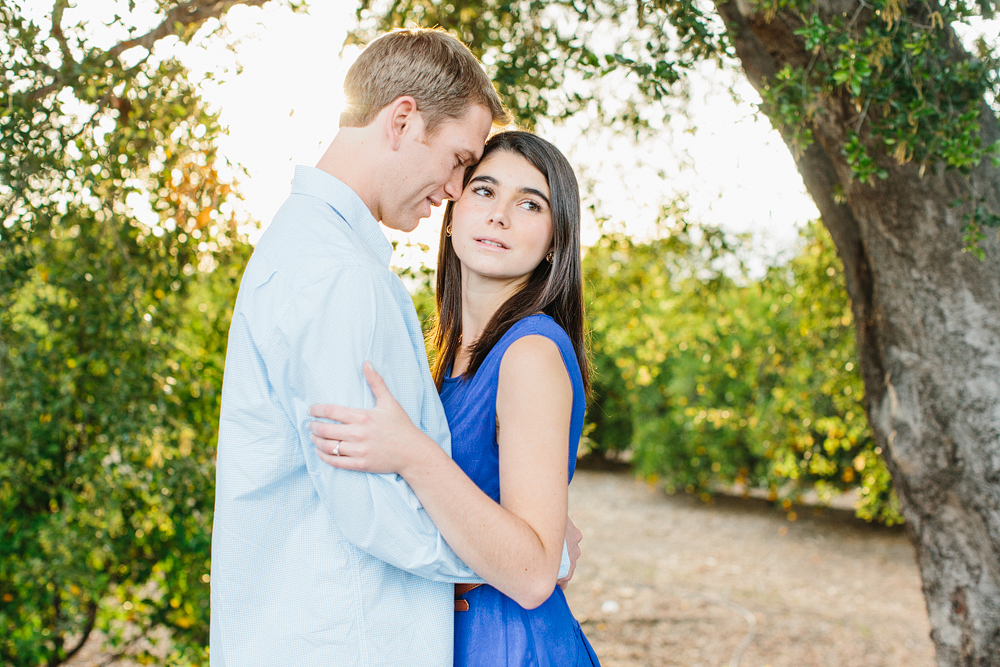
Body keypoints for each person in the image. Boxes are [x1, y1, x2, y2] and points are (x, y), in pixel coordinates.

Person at [209, 29, 580, 667]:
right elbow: (372, 508)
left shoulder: (307, 251)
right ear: (402, 119)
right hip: (339, 637)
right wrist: (536, 555)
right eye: (468, 168)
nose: (460, 191)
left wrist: (532, 551)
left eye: (528, 204)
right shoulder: (343, 276)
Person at [309, 131, 601, 666]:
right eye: (484, 191)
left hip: (511, 646)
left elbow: (534, 573)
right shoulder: (446, 359)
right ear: (454, 209)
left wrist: (412, 454)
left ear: (557, 237)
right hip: (450, 639)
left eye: (529, 203)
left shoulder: (530, 352)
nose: (500, 216)